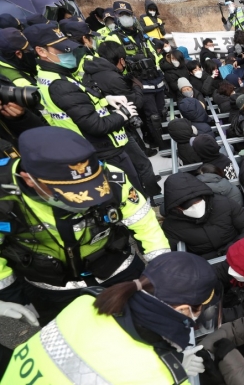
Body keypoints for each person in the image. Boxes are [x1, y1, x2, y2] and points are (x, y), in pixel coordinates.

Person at [0, 127, 169, 325]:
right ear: (30, 180)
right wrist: (12, 296)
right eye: (71, 194)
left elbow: (143, 221)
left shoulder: (110, 177)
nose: (86, 199)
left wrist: (163, 266)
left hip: (118, 269)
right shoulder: (4, 197)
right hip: (52, 288)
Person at [1, 251, 217, 385]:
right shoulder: (160, 375)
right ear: (182, 310)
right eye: (200, 308)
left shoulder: (87, 301)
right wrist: (177, 373)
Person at [24, 23, 150, 197]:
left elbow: (79, 104)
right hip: (103, 150)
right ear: (42, 51)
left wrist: (106, 100)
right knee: (130, 195)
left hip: (92, 147)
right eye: (62, 50)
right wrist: (123, 114)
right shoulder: (60, 85)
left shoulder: (53, 76)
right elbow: (95, 125)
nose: (70, 54)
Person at [86, 41, 162, 197]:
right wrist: (137, 87)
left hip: (109, 126)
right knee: (143, 164)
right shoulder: (113, 78)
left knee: (134, 162)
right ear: (121, 59)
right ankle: (154, 196)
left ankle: (146, 185)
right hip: (118, 127)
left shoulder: (92, 71)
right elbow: (135, 102)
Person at [105, 1, 166, 152]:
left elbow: (153, 53)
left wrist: (158, 66)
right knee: (152, 116)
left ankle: (157, 137)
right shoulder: (113, 38)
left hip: (155, 78)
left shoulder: (142, 34)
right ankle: (160, 144)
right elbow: (114, 62)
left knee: (161, 111)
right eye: (121, 14)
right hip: (138, 81)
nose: (125, 17)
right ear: (116, 17)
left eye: (128, 14)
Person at [162, 172, 244, 260]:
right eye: (187, 206)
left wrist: (236, 246)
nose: (195, 207)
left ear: (203, 196)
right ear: (177, 207)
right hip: (206, 265)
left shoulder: (224, 203)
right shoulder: (171, 226)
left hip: (239, 252)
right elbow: (172, 255)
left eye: (198, 201)